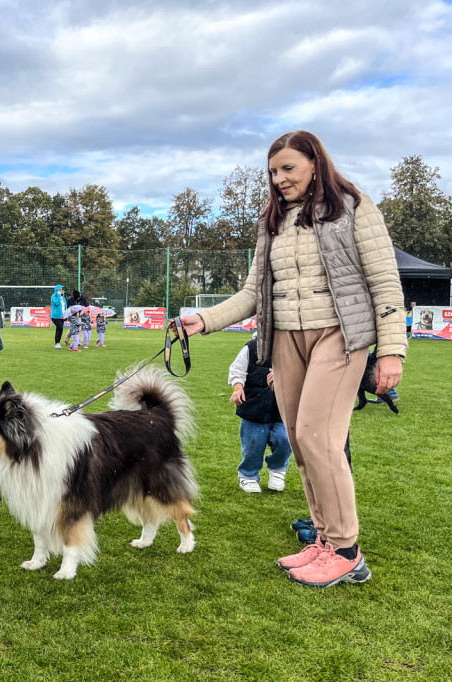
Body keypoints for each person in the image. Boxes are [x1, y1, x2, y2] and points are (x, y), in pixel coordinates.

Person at [176, 130, 405, 588]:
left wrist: (393, 350)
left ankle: (346, 550)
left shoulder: (354, 206)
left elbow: (385, 281)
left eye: (288, 168)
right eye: (273, 171)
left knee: (320, 438)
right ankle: (324, 541)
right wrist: (204, 320)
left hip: (340, 335)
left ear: (315, 164)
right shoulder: (272, 220)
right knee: (301, 442)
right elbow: (252, 293)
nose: (279, 178)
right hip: (285, 341)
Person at [228, 336, 291, 494]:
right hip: (254, 407)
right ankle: (248, 475)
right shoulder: (251, 347)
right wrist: (238, 388)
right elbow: (237, 370)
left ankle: (278, 469)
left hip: (284, 409)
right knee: (253, 446)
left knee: (285, 440)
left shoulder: (294, 347)